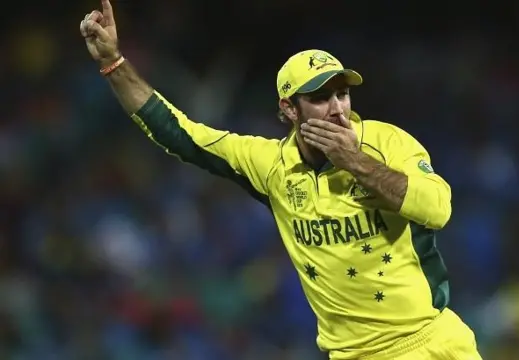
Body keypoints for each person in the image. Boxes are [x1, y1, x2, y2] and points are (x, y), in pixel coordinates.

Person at [79, 1, 482, 359]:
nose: (338, 109)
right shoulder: (272, 165)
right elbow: (180, 133)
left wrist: (356, 162)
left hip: (431, 340)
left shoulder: (385, 142)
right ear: (290, 109)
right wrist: (114, 64)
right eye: (322, 99)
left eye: (342, 94)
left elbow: (438, 209)